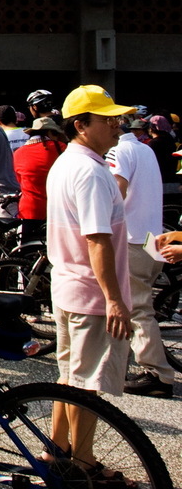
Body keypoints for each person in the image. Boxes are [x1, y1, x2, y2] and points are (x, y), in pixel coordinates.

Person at [45, 86, 135, 471]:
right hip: (90, 293)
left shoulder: (67, 162)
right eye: (107, 118)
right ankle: (83, 464)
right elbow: (97, 239)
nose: (117, 125)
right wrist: (114, 299)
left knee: (69, 377)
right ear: (81, 125)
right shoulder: (92, 172)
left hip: (68, 287)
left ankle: (57, 450)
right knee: (85, 386)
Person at [106, 113, 175, 398]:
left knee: (137, 309)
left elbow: (116, 192)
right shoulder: (145, 148)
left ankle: (157, 373)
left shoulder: (118, 151)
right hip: (151, 238)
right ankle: (128, 365)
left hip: (131, 239)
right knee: (137, 305)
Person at [13, 116, 66, 244]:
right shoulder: (60, 148)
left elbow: (19, 180)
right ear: (49, 132)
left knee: (27, 251)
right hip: (56, 209)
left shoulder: (18, 153)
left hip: (28, 210)